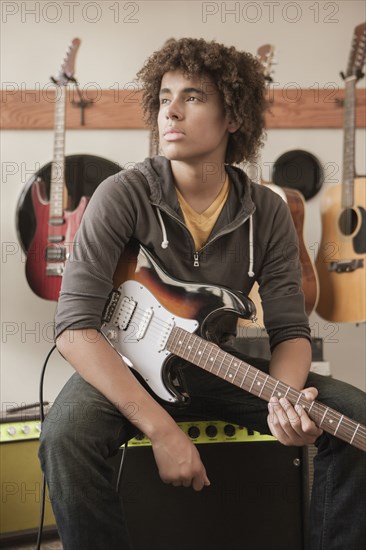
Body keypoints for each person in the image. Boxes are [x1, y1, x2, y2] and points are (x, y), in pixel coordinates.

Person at [39, 38, 365, 550]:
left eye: (192, 97)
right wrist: (164, 431)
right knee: (64, 438)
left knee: (353, 419)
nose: (171, 110)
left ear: (232, 116)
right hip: (122, 368)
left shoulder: (268, 211)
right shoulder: (122, 194)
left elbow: (291, 331)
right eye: (165, 96)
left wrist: (283, 401)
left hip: (214, 365)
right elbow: (74, 329)